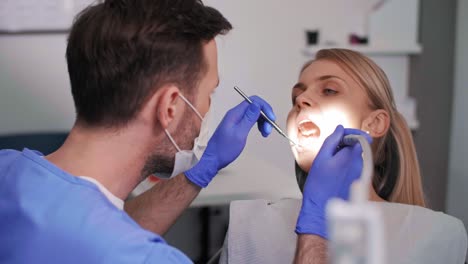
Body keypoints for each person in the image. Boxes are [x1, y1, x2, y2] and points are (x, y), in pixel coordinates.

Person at [0, 0, 279, 263]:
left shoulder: (7, 167)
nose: (208, 109)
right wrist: (316, 223)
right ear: (170, 106)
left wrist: (204, 169)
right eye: (210, 93)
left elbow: (103, 227)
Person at [220, 49, 467, 264]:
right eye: (296, 97)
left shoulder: (439, 235)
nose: (301, 100)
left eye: (329, 90)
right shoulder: (248, 226)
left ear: (374, 123)